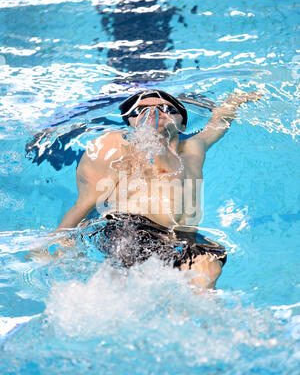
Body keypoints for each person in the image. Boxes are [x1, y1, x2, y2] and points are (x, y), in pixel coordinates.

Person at [42, 89, 262, 289]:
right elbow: (85, 202)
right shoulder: (117, 144)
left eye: (167, 109)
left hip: (181, 238)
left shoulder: (194, 148)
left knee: (209, 267)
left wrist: (237, 99)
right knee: (141, 279)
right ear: (130, 122)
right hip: (131, 230)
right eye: (141, 110)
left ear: (182, 124)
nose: (154, 114)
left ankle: (199, 325)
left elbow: (218, 123)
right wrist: (53, 244)